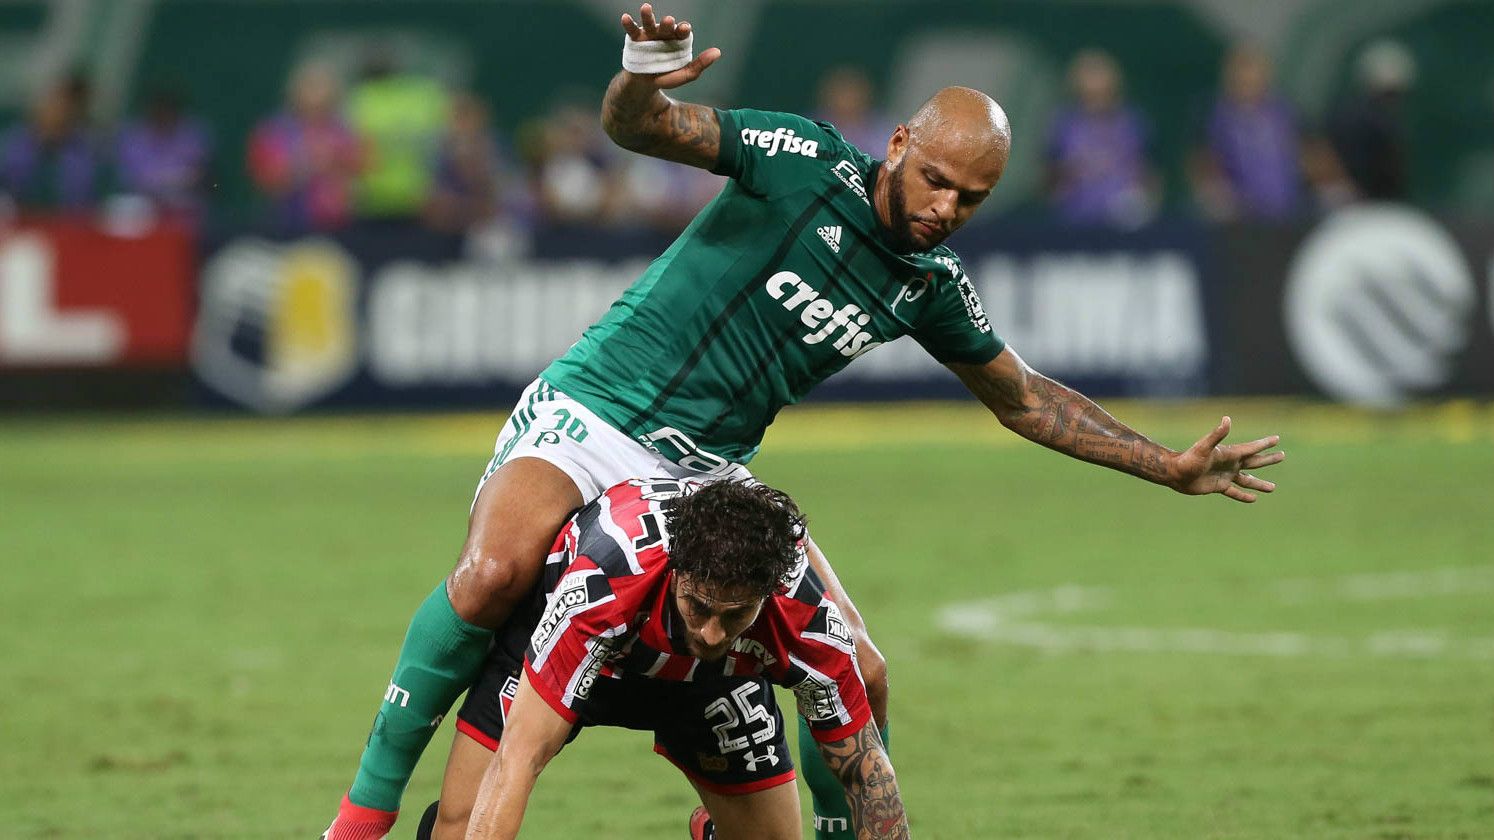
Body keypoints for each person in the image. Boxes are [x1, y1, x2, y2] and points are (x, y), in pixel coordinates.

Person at [322, 5, 1284, 839]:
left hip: (706, 467)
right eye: (938, 180)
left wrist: (1167, 466)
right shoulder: (799, 159)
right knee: (493, 574)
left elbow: (1023, 397)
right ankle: (360, 818)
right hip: (596, 409)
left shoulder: (928, 286)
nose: (948, 208)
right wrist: (638, 78)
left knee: (863, 670)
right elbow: (643, 129)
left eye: (973, 198)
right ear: (900, 143)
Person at [379, 477, 906, 840]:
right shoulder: (604, 585)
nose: (713, 631)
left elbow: (866, 775)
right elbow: (520, 756)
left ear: (769, 594)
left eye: (737, 614)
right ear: (675, 569)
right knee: (463, 823)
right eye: (699, 606)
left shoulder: (805, 616)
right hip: (580, 648)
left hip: (713, 684)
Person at [1190, 43, 1303, 221]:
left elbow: (1305, 154)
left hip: (1288, 210)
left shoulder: (1284, 112)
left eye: (1252, 69)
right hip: (1237, 217)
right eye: (1241, 70)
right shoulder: (1213, 116)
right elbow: (1201, 164)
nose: (1247, 77)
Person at [1044, 49, 1156, 227]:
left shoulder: (1132, 123)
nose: (1097, 100)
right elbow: (1049, 176)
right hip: (1074, 219)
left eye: (1102, 93)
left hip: (1126, 219)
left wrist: (1144, 198)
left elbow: (1150, 172)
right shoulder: (1064, 126)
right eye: (1090, 95)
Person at [247, 61, 363, 233]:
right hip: (287, 225)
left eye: (322, 86)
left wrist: (336, 163)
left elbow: (361, 168)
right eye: (311, 86)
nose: (317, 94)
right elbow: (266, 178)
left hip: (340, 227)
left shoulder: (344, 129)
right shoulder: (277, 130)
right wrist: (305, 163)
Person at [0, 74, 101, 213]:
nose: (56, 114)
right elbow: (9, 185)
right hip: (21, 221)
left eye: (62, 109)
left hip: (70, 224)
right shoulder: (14, 143)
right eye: (50, 106)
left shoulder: (85, 150)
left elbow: (90, 199)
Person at [114, 85, 212, 220]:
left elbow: (200, 176)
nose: (164, 114)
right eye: (159, 109)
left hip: (184, 210)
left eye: (168, 110)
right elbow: (131, 179)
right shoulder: (133, 136)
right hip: (142, 210)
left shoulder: (193, 135)